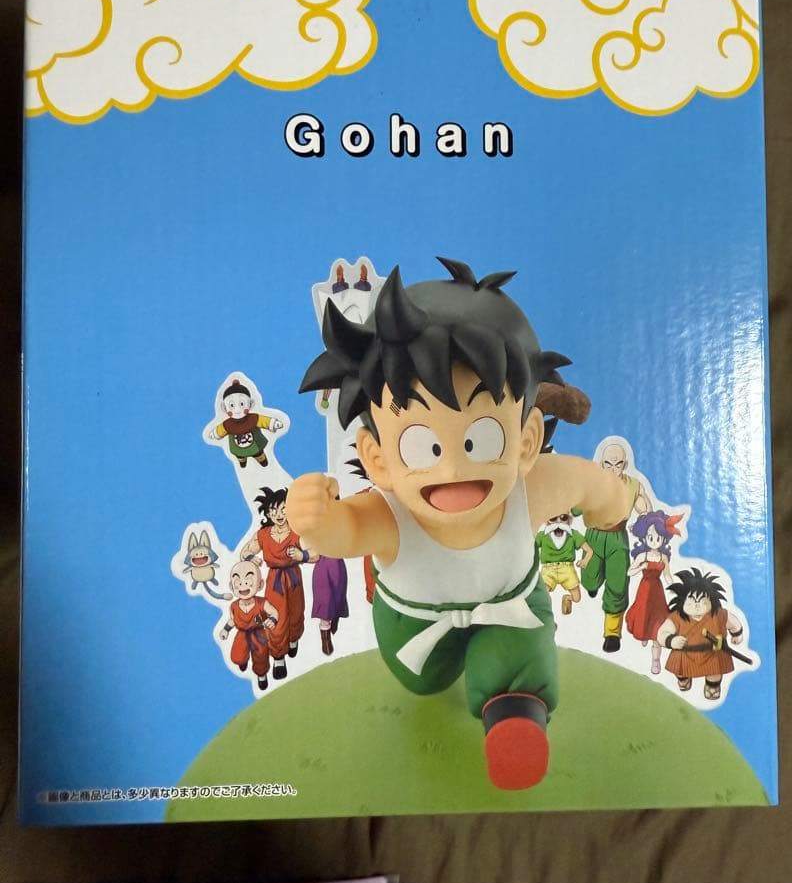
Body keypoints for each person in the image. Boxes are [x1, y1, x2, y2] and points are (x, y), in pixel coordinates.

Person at [287, 257, 629, 790]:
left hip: (511, 608)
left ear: (527, 441)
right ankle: (457, 676)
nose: (452, 470)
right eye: (421, 445)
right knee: (422, 682)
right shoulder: (389, 515)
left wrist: (615, 505)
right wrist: (316, 519)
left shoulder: (534, 487)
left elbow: (592, 486)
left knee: (518, 660)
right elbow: (346, 531)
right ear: (378, 459)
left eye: (481, 440)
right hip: (413, 628)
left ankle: (515, 718)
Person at [580, 440, 652, 653]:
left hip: (618, 539)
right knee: (589, 578)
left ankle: (612, 633)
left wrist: (647, 520)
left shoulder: (632, 485)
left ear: (625, 465)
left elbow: (645, 509)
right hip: (593, 536)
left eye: (618, 464)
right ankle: (592, 584)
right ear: (602, 464)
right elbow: (574, 505)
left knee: (618, 584)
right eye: (608, 464)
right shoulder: (592, 483)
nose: (613, 469)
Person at [242, 487, 316, 679]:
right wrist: (251, 557)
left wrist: (302, 555)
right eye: (273, 510)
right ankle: (278, 658)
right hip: (274, 581)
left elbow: (316, 552)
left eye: (283, 509)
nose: (279, 514)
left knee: (296, 613)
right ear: (268, 513)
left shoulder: (297, 532)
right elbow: (246, 551)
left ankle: (293, 639)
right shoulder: (264, 534)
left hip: (294, 579)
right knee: (276, 617)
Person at [656, 567, 744, 700]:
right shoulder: (676, 617)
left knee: (715, 673)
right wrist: (671, 640)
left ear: (712, 600)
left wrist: (737, 634)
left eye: (702, 601)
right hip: (685, 653)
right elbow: (662, 633)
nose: (696, 605)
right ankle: (684, 679)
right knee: (681, 671)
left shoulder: (719, 615)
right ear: (682, 600)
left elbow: (733, 623)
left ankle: (712, 686)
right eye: (691, 601)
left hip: (714, 653)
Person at [624, 510, 681, 673]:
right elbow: (629, 572)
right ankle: (643, 634)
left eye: (658, 538)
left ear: (663, 539)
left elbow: (667, 575)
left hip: (658, 592)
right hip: (645, 590)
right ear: (644, 538)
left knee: (658, 623)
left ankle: (655, 661)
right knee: (643, 616)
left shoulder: (663, 557)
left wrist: (675, 589)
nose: (654, 541)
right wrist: (641, 567)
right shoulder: (643, 555)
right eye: (650, 538)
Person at [218, 560, 278, 691]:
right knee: (237, 656)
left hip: (258, 634)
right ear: (232, 586)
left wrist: (273, 619)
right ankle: (243, 661)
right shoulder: (234, 606)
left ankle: (261, 676)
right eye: (238, 582)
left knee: (261, 656)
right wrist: (226, 629)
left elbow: (274, 612)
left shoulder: (262, 603)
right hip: (242, 634)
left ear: (260, 584)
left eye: (248, 581)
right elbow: (233, 620)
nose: (243, 585)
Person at [537, 512, 593, 615]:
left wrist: (585, 561)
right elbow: (531, 546)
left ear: (569, 520)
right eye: (553, 518)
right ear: (547, 521)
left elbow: (589, 550)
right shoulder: (542, 536)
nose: (558, 522)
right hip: (548, 570)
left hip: (567, 569)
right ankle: (546, 612)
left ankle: (567, 598)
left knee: (577, 598)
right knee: (542, 596)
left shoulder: (573, 535)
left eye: (563, 518)